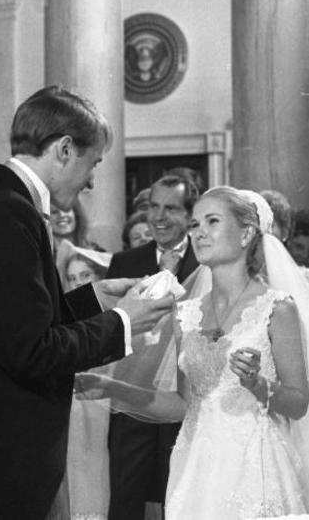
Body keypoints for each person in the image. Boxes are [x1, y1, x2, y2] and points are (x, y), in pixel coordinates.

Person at [0, 86, 174, 519]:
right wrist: (121, 322)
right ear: (64, 149)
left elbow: (9, 322)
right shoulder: (7, 213)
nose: (93, 180)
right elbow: (31, 349)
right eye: (93, 163)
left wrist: (93, 300)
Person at [77, 187, 309, 519]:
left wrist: (259, 386)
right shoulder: (185, 313)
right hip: (196, 467)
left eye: (212, 221)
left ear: (246, 233)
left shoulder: (277, 308)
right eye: (195, 223)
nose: (199, 231)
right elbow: (182, 404)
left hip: (256, 464)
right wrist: (111, 388)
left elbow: (299, 403)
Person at [106, 174, 200, 520]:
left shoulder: (206, 261)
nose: (159, 217)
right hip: (134, 396)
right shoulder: (125, 263)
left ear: (190, 215)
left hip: (187, 396)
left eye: (171, 208)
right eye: (153, 207)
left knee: (180, 493)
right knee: (127, 494)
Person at [56, 242, 113, 520]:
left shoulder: (115, 321)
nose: (78, 283)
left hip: (108, 408)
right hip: (75, 409)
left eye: (85, 276)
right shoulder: (63, 325)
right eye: (71, 278)